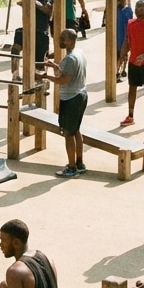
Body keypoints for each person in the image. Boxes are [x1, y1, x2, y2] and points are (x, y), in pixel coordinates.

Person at [43, 29, 89, 177]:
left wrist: (46, 76)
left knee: (68, 134)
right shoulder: (79, 53)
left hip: (71, 99)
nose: (59, 41)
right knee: (76, 130)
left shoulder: (70, 59)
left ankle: (72, 168)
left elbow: (64, 80)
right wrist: (55, 67)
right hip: (81, 95)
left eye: (63, 39)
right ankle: (80, 163)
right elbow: (66, 73)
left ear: (71, 41)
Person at [118, 0, 144, 127]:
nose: (137, 9)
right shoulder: (130, 23)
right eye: (136, 6)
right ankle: (130, 116)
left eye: (140, 7)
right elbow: (126, 40)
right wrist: (121, 56)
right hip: (133, 62)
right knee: (132, 87)